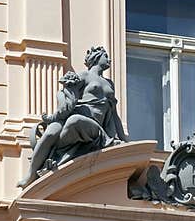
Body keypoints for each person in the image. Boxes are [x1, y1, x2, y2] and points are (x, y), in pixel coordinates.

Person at [18, 46, 127, 188]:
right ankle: (31, 174)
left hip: (94, 126)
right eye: (105, 56)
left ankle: (53, 155)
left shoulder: (109, 84)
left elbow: (114, 116)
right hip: (71, 117)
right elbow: (66, 94)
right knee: (50, 133)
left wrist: (123, 140)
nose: (109, 59)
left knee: (74, 121)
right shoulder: (84, 76)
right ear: (96, 57)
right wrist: (58, 111)